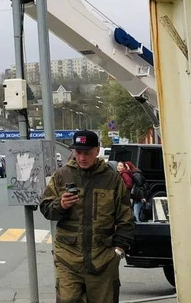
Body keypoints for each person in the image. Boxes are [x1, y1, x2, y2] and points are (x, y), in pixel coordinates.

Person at [40, 130, 135, 303]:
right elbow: (46, 208)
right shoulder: (62, 175)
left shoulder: (112, 179)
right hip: (68, 258)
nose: (82, 158)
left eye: (87, 153)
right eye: (78, 152)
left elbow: (126, 217)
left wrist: (119, 251)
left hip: (103, 259)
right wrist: (60, 205)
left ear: (97, 151)